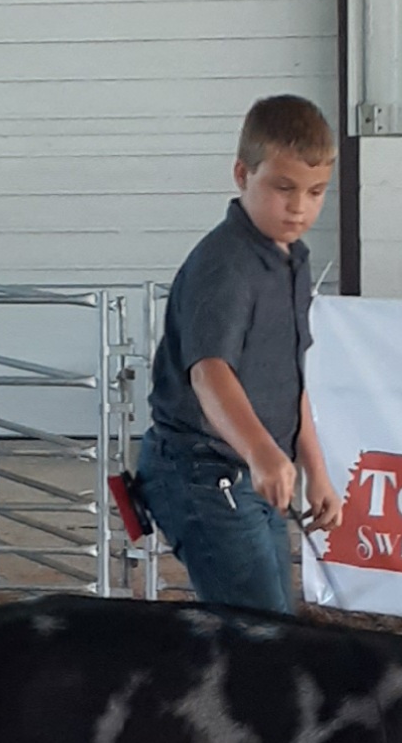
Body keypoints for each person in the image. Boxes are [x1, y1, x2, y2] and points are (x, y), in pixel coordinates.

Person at [136, 94, 343, 613]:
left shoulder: (292, 261)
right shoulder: (226, 265)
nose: (299, 207)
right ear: (242, 175)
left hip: (255, 469)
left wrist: (314, 467)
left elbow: (289, 379)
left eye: (316, 192)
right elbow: (210, 373)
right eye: (283, 188)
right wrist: (261, 451)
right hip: (204, 471)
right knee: (258, 630)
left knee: (268, 624)